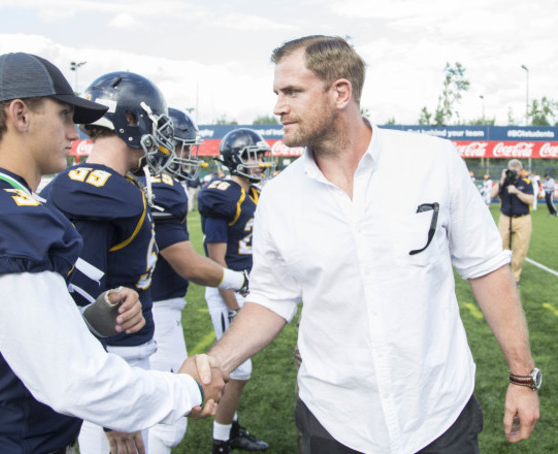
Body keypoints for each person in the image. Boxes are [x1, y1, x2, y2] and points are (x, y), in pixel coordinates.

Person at [207, 35, 540, 454]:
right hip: (334, 421)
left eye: (292, 91)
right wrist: (216, 362)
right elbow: (272, 298)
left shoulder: (433, 162)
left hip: (439, 413)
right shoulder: (279, 197)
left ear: (340, 92)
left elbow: (486, 268)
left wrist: (522, 377)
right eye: (277, 93)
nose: (278, 107)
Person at [0, 53, 224, 454]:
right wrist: (186, 389)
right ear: (20, 115)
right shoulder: (8, 219)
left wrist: (97, 314)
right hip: (5, 441)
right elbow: (73, 378)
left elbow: (17, 333)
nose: (75, 132)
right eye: (65, 116)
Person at [41, 71, 186, 454]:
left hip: (120, 358)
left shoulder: (117, 185)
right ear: (133, 121)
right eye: (156, 121)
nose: (161, 136)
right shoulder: (103, 190)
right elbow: (78, 304)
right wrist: (113, 414)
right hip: (111, 365)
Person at [140, 107, 250, 454]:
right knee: (166, 422)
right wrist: (239, 279)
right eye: (184, 147)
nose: (190, 156)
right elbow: (188, 264)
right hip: (153, 311)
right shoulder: (163, 188)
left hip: (139, 306)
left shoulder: (142, 183)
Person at [198, 128, 275, 454]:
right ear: (235, 159)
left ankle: (229, 426)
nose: (259, 163)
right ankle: (221, 440)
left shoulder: (255, 194)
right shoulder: (223, 195)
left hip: (249, 286)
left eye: (261, 156)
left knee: (239, 369)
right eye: (253, 157)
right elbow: (215, 262)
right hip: (228, 290)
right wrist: (233, 306)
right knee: (238, 370)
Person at [491, 159, 535, 285]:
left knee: (520, 249)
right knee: (501, 248)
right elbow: (492, 194)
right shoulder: (504, 182)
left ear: (521, 170)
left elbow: (531, 200)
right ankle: (501, 275)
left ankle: (515, 277)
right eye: (512, 169)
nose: (515, 171)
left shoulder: (526, 182)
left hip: (523, 219)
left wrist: (517, 191)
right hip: (505, 218)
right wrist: (502, 179)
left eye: (517, 169)